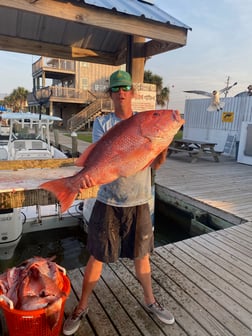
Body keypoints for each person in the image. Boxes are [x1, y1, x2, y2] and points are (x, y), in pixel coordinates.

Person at [63, 70, 175, 336]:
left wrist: (162, 146)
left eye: (126, 87)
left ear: (132, 92)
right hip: (108, 200)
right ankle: (81, 306)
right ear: (111, 94)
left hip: (139, 201)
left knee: (142, 256)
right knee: (97, 256)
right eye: (116, 89)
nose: (122, 92)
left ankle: (151, 301)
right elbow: (103, 161)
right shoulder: (103, 123)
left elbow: (154, 164)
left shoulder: (147, 125)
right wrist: (86, 178)